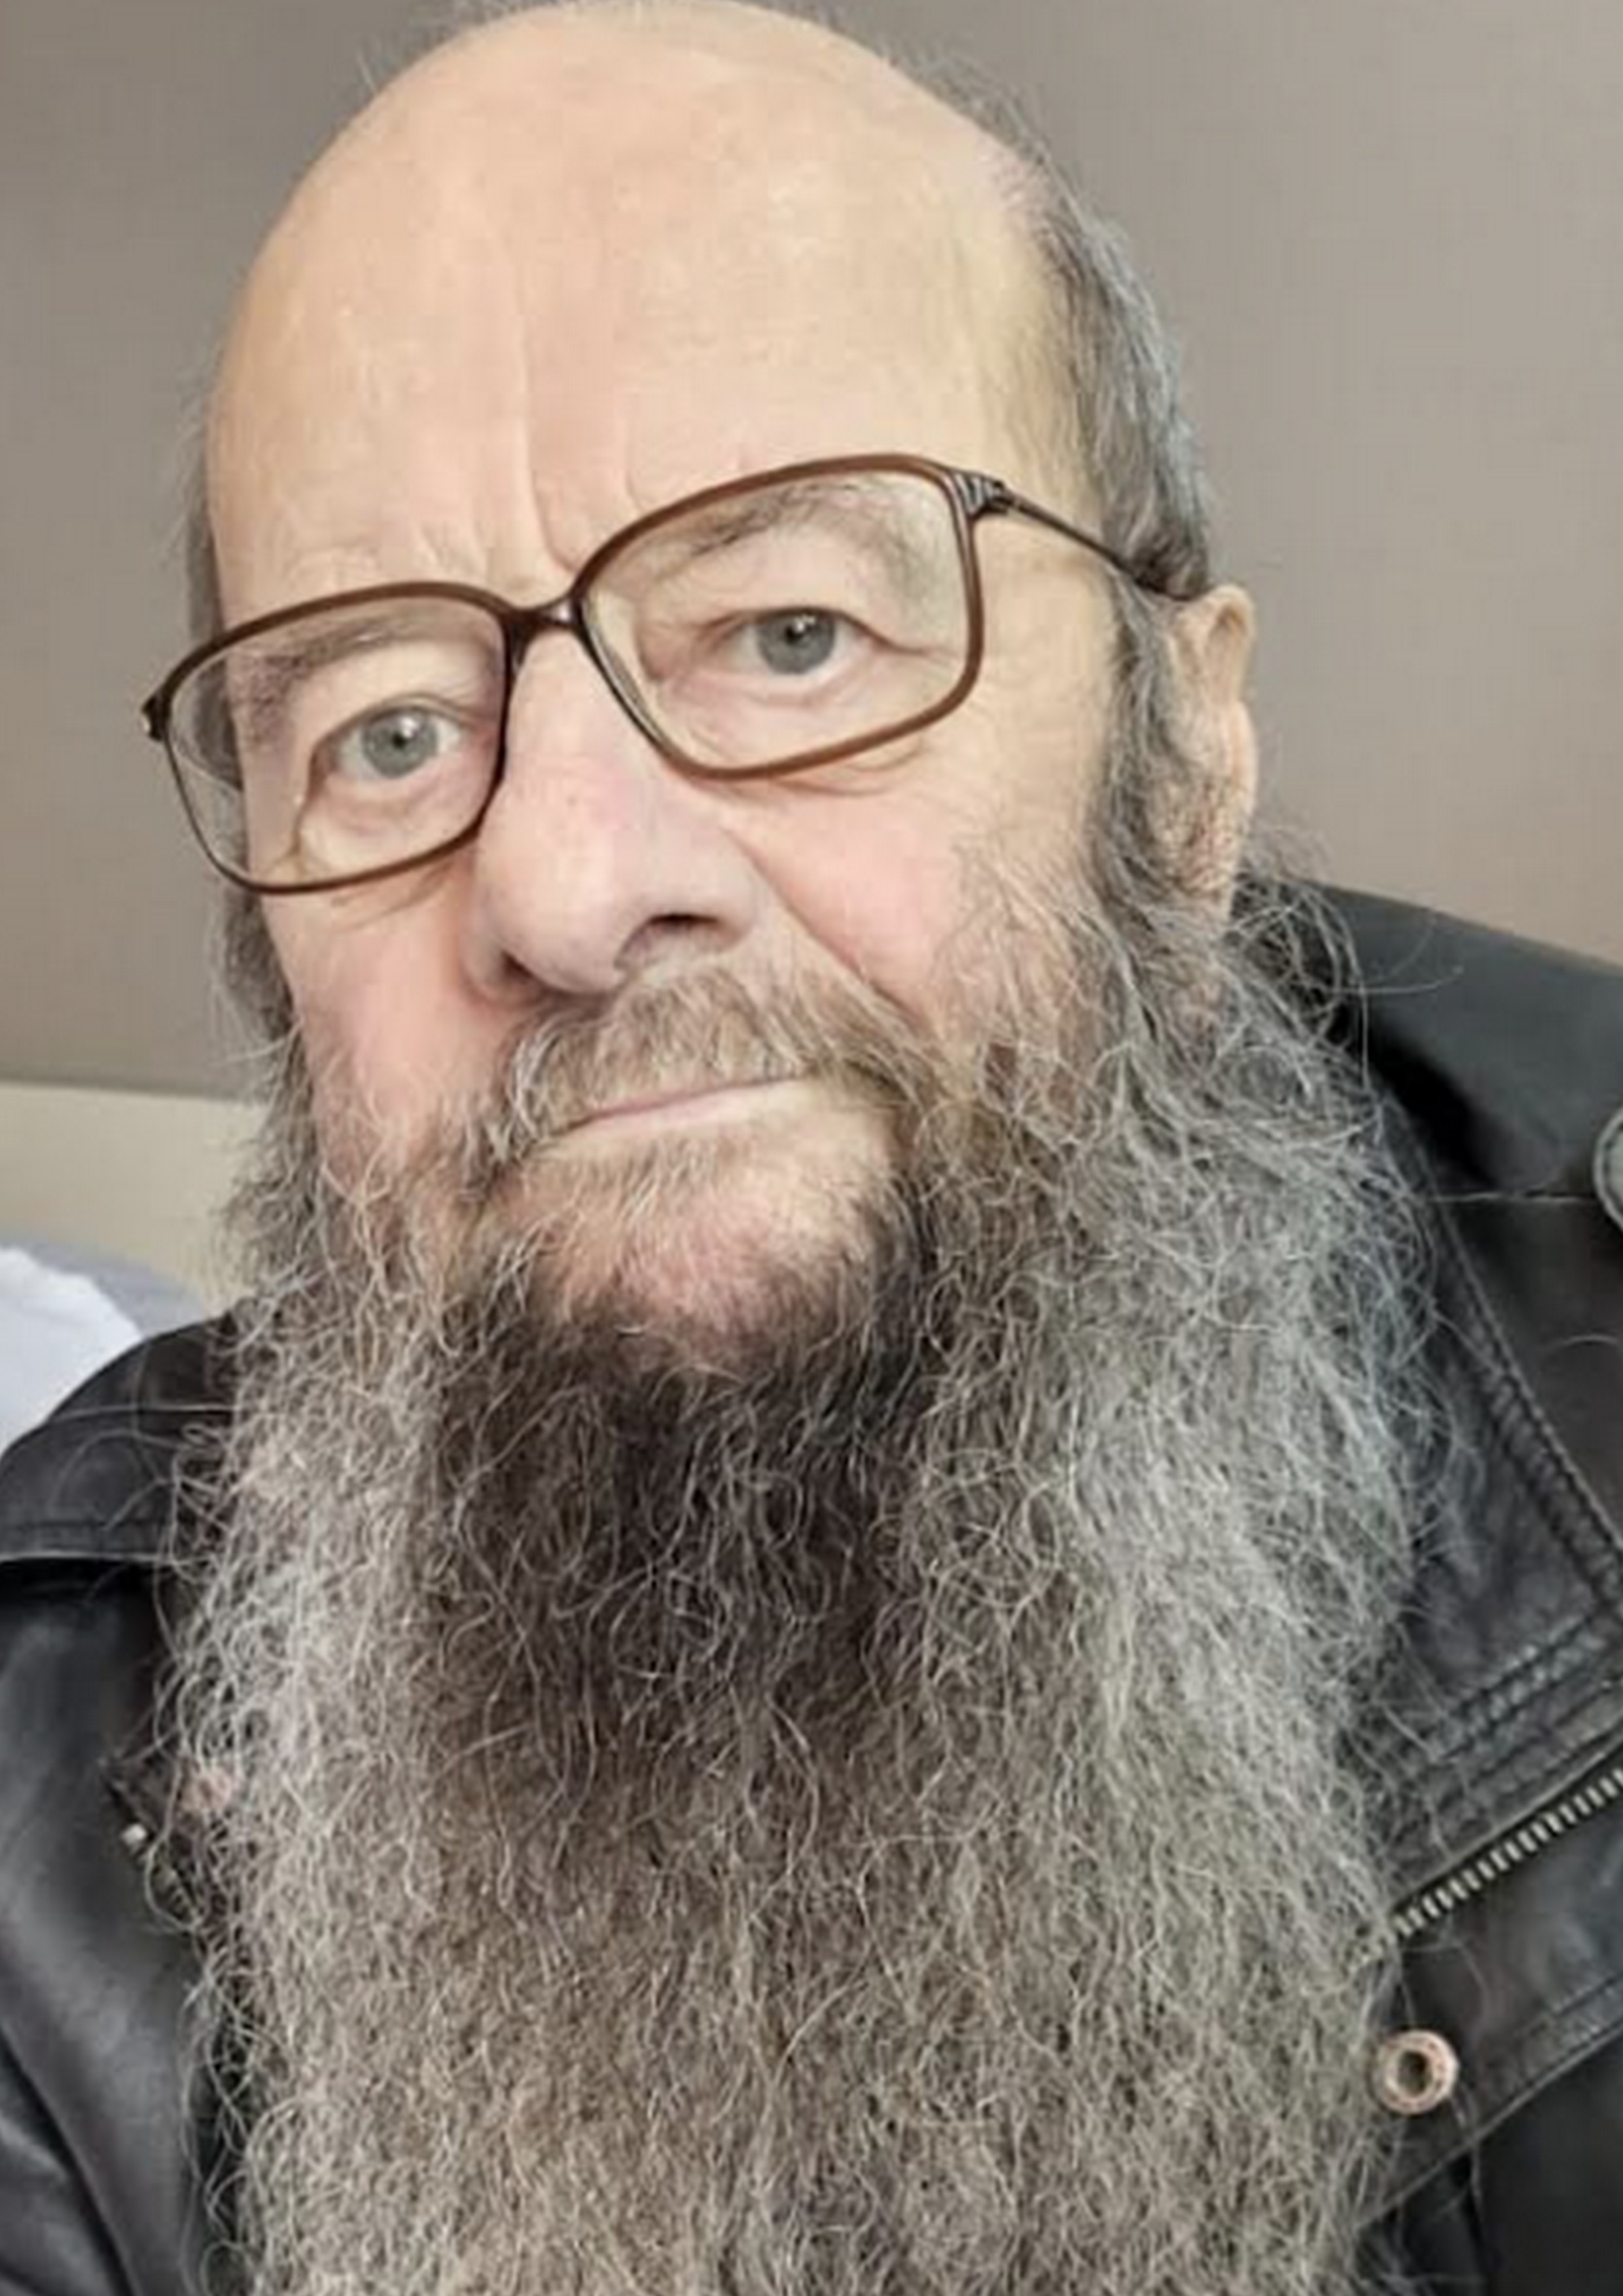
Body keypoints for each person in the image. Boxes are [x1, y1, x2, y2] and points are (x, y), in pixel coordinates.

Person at [2, 3, 1620, 2291]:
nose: (565, 885)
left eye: (791, 630)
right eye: (386, 732)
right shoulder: (33, 1811)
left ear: (1184, 772)